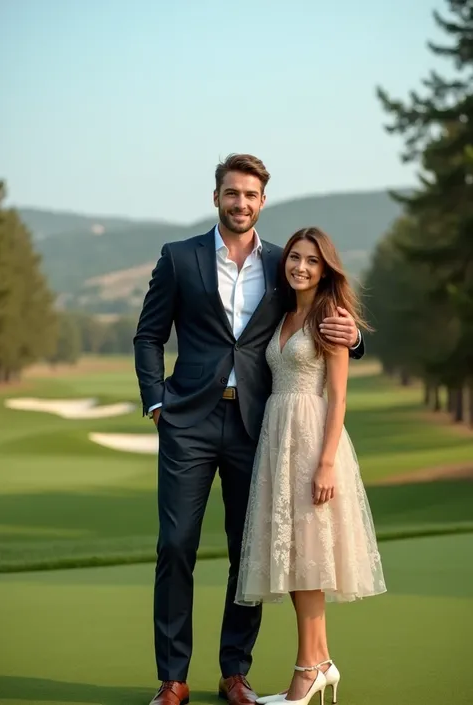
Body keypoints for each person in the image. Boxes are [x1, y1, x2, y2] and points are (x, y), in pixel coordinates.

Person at [133, 154, 365, 705]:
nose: (241, 203)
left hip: (256, 425)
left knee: (249, 551)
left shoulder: (287, 261)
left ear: (264, 201)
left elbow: (327, 312)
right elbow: (148, 336)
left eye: (252, 195)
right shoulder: (179, 258)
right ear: (217, 197)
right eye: (232, 193)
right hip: (186, 421)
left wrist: (355, 339)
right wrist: (156, 403)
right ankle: (173, 678)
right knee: (176, 545)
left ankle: (235, 672)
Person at [235, 228, 386, 705]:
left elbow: (339, 396)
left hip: (312, 440)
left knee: (309, 558)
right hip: (277, 441)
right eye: (295, 258)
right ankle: (319, 662)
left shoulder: (330, 319)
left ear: (326, 269)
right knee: (297, 555)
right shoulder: (284, 313)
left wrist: (325, 465)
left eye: (311, 261)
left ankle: (308, 669)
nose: (300, 266)